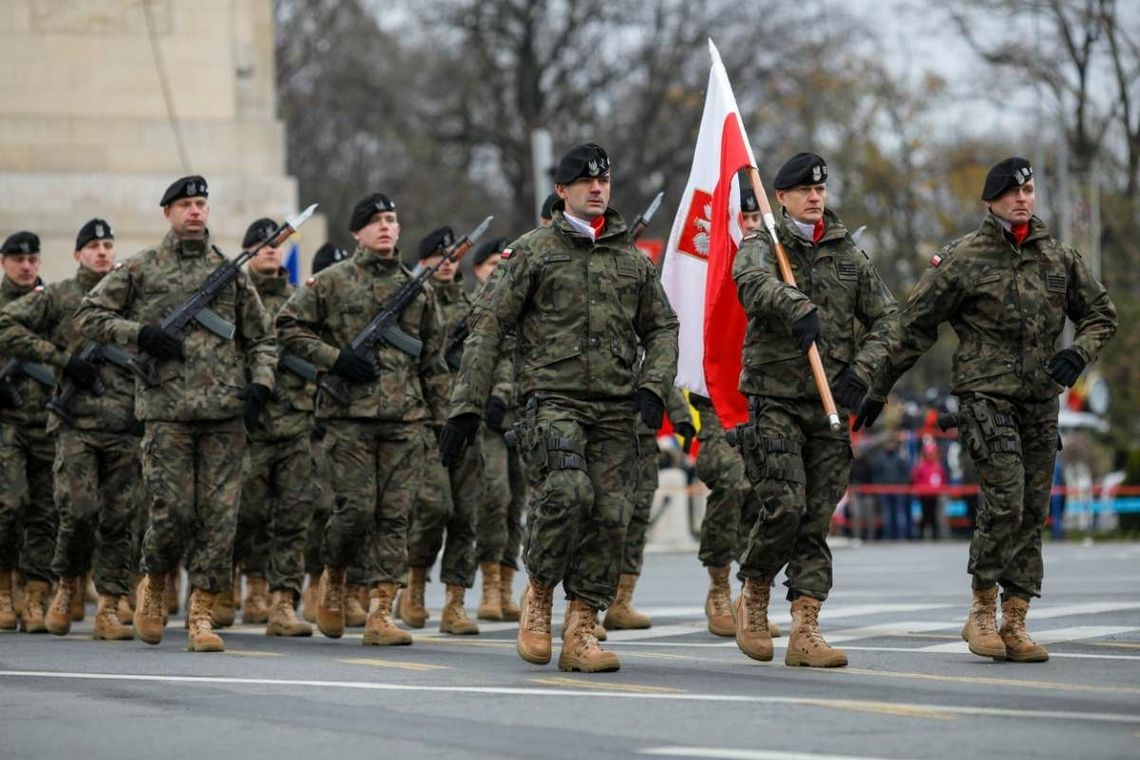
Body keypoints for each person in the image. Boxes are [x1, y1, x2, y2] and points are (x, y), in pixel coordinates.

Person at [857, 156, 1117, 663]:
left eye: (1029, 190)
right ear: (990, 201)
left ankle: (1015, 618)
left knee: (1034, 507)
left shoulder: (1058, 257)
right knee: (1006, 498)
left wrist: (1077, 353)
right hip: (984, 398)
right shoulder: (964, 259)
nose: (1023, 198)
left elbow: (1101, 314)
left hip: (1041, 401)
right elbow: (914, 328)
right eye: (1011, 192)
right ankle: (981, 609)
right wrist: (876, 389)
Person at [438, 143, 679, 672]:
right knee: (569, 494)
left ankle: (582, 628)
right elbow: (488, 327)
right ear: (561, 191)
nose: (598, 189)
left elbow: (662, 326)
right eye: (585, 182)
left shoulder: (631, 259)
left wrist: (653, 385)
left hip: (617, 407)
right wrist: (465, 408)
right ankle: (540, 593)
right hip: (552, 402)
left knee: (612, 516)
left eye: (605, 181)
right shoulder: (532, 251)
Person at [74, 176, 277, 652]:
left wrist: (261, 383)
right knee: (172, 512)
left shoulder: (230, 273)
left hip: (225, 415)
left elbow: (262, 338)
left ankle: (201, 615)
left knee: (220, 519)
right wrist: (140, 334)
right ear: (168, 213)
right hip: (167, 412)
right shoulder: (142, 268)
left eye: (201, 203)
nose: (195, 212)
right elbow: (88, 316)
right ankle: (155, 582)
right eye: (186, 204)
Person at [732, 153, 898, 668]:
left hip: (828, 406)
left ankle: (806, 626)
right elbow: (749, 284)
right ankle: (754, 593)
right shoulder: (766, 245)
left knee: (816, 516)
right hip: (776, 399)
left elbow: (889, 319)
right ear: (779, 197)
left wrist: (863, 374)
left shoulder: (848, 254)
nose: (814, 196)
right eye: (803, 189)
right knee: (784, 505)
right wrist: (794, 304)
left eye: (819, 189)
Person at [276, 192, 450, 647]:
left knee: (395, 517)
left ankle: (380, 612)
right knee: (355, 511)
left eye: (391, 219)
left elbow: (432, 361)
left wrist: (443, 420)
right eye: (375, 221)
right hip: (348, 418)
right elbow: (288, 326)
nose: (386, 227)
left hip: (405, 419)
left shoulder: (420, 290)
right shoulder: (331, 282)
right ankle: (333, 576)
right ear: (357, 232)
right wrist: (334, 359)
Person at [0, 220, 138, 640]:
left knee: (118, 519)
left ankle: (106, 606)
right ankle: (49, 586)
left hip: (123, 424)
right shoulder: (58, 296)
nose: (102, 252)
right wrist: (61, 359)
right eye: (93, 246)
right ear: (78, 254)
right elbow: (6, 325)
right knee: (69, 513)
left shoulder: (134, 298)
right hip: (71, 423)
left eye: (108, 245)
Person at [232, 217, 316, 637]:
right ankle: (244, 580)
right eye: (261, 243)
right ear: (248, 251)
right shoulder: (230, 296)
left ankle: (282, 601)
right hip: (247, 423)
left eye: (277, 244)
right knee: (244, 512)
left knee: (293, 514)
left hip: (295, 421)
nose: (270, 249)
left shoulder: (300, 300)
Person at [400, 226, 483, 635]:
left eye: (453, 256)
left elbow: (493, 355)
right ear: (425, 261)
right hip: (427, 422)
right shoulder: (410, 305)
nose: (448, 263)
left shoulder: (474, 307)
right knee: (434, 507)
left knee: (467, 513)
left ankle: (456, 601)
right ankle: (414, 583)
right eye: (440, 256)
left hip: (466, 419)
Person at [461, 237, 526, 622]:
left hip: (522, 415)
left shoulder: (519, 307)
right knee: (495, 498)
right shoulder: (473, 308)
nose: (495, 272)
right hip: (489, 418)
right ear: (476, 270)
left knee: (517, 502)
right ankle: (488, 584)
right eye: (488, 265)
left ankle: (505, 584)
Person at [0, 231, 58, 633]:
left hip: (50, 421)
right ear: (3, 262)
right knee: (10, 505)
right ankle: (4, 589)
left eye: (32, 259)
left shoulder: (53, 305)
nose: (25, 266)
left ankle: (35, 594)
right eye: (17, 259)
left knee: (45, 512)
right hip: (7, 423)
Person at [603, 385, 693, 631]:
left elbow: (659, 373)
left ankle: (620, 603)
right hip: (605, 433)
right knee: (602, 520)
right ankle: (581, 608)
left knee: (637, 519)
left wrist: (681, 416)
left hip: (643, 439)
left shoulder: (644, 347)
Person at [910, 439, 946, 540]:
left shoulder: (938, 466)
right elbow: (915, 478)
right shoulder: (921, 466)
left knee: (934, 515)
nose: (931, 455)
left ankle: (935, 535)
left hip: (935, 494)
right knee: (924, 515)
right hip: (924, 494)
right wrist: (918, 489)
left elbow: (943, 478)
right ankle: (921, 535)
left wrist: (941, 489)